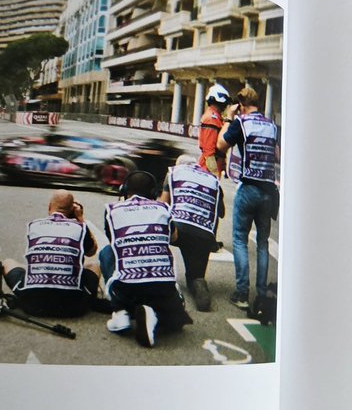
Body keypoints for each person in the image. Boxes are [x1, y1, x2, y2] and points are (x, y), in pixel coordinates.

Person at [101, 170, 192, 347]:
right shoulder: (164, 209)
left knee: (107, 252)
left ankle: (121, 313)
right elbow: (173, 238)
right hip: (162, 289)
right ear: (153, 193)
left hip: (126, 290)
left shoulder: (112, 211)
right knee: (174, 323)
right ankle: (151, 312)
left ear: (124, 189)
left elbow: (114, 242)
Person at [215, 85, 279, 309]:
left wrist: (228, 119)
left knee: (240, 240)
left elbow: (220, 145)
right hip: (269, 190)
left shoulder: (241, 122)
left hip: (249, 187)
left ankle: (242, 294)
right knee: (262, 244)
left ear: (241, 105)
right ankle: (262, 294)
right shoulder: (271, 125)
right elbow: (277, 154)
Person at [1, 189, 101, 318]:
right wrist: (80, 219)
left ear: (49, 207)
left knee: (8, 262)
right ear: (72, 210)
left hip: (31, 304)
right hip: (73, 307)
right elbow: (92, 252)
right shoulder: (80, 227)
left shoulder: (34, 225)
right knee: (93, 266)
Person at [160, 154, 225, 311]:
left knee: (158, 233)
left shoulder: (174, 174)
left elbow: (162, 205)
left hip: (179, 229)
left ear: (180, 165)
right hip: (204, 234)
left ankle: (160, 274)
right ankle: (199, 284)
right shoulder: (213, 181)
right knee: (195, 276)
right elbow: (221, 213)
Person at [198, 83, 230, 178]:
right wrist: (214, 175)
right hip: (207, 171)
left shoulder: (215, 117)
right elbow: (209, 153)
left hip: (213, 166)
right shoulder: (212, 119)